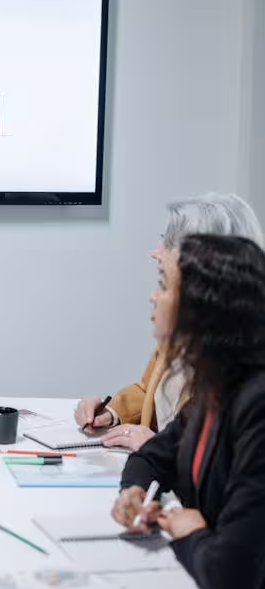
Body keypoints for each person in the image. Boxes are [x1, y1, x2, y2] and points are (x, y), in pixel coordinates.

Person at [111, 233, 265, 588]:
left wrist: (190, 532)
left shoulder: (256, 403)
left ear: (200, 307)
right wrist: (133, 492)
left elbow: (231, 573)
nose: (152, 296)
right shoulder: (216, 385)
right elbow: (152, 457)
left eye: (163, 286)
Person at [74, 193, 263, 451]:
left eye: (171, 242)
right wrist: (112, 412)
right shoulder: (182, 332)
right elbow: (150, 394)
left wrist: (159, 449)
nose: (156, 253)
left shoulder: (242, 370)